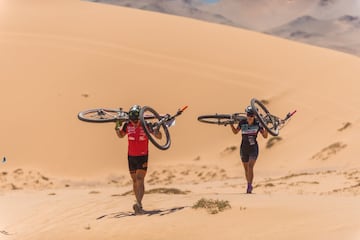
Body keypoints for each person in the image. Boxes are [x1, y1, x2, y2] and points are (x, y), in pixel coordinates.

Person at [115, 105, 162, 214]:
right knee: (135, 180)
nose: (135, 122)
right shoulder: (127, 125)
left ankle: (139, 204)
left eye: (136, 120)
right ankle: (138, 204)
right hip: (131, 156)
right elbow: (120, 135)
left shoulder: (146, 125)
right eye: (133, 120)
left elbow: (159, 137)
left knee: (140, 178)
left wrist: (156, 129)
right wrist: (117, 126)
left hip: (142, 156)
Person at [230, 106, 268, 193]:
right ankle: (248, 183)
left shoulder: (258, 124)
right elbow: (235, 132)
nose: (250, 117)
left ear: (255, 116)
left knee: (250, 166)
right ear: (246, 115)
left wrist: (266, 127)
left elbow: (265, 136)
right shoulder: (242, 122)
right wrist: (231, 124)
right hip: (244, 148)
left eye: (252, 115)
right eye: (248, 115)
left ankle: (249, 186)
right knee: (246, 169)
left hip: (253, 148)